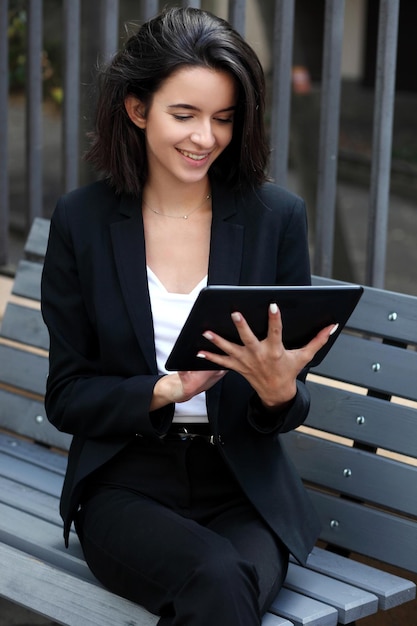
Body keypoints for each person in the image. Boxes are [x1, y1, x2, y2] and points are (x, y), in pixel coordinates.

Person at [41, 7, 335, 625]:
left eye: (224, 119)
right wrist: (165, 389)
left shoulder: (273, 218)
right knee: (218, 580)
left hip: (243, 488)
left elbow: (288, 398)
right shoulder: (83, 221)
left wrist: (281, 394)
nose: (206, 137)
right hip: (127, 484)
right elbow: (67, 397)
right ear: (137, 107)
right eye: (185, 115)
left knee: (220, 589)